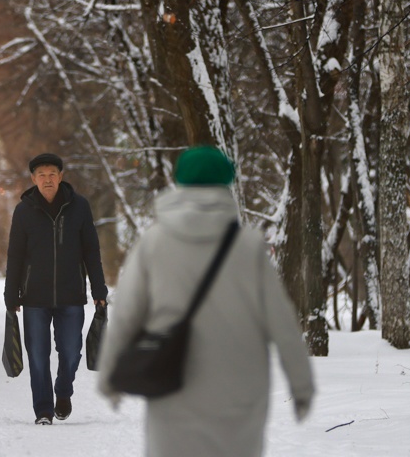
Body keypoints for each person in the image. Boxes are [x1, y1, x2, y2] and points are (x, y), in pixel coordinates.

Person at [96, 146, 315, 457]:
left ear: (179, 181)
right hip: (241, 392)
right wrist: (302, 385)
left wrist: (109, 377)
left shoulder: (154, 243)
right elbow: (282, 322)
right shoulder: (249, 247)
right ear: (227, 183)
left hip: (173, 386)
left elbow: (126, 316)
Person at [4, 153, 108, 426]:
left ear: (61, 176)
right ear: (33, 179)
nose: (47, 179)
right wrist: (10, 293)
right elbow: (15, 255)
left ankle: (63, 391)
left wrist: (99, 289)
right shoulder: (24, 211)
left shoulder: (79, 206)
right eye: (42, 175)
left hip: (71, 294)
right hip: (34, 297)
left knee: (71, 351)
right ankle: (43, 410)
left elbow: (91, 250)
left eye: (52, 174)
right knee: (38, 355)